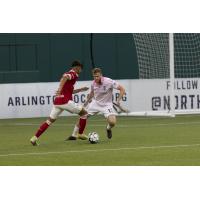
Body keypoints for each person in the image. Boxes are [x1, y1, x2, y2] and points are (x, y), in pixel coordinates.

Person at [30, 60, 89, 146]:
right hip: (65, 101)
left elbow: (70, 91)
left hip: (58, 102)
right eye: (81, 68)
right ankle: (80, 133)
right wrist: (59, 89)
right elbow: (65, 77)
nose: (81, 70)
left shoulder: (71, 76)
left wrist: (81, 89)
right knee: (84, 113)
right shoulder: (73, 74)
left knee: (49, 121)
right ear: (77, 67)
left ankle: (34, 138)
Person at [66, 67, 125, 140]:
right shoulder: (93, 83)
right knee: (82, 116)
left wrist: (118, 100)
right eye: (94, 76)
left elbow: (122, 89)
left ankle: (108, 128)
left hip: (107, 105)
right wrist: (86, 102)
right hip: (95, 104)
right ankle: (73, 135)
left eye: (97, 76)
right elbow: (92, 93)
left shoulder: (109, 81)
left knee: (112, 122)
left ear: (101, 75)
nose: (96, 78)